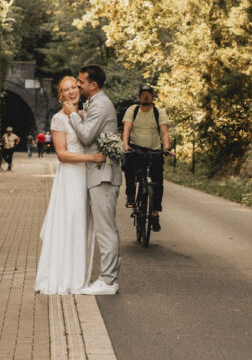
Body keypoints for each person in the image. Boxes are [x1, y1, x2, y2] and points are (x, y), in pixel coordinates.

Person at [35, 76, 106, 294]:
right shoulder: (59, 119)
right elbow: (62, 154)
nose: (71, 92)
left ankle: (79, 277)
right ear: (61, 95)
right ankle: (66, 279)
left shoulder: (83, 116)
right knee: (72, 223)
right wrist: (92, 159)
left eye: (74, 87)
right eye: (66, 90)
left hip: (87, 177)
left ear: (79, 89)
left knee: (84, 224)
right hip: (71, 178)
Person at [65, 64, 123, 296]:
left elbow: (87, 135)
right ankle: (108, 278)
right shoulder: (95, 104)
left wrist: (72, 116)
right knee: (104, 228)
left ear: (93, 85)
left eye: (81, 82)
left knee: (105, 229)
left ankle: (108, 281)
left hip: (103, 174)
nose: (78, 85)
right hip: (97, 174)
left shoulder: (100, 104)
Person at [121, 85, 172, 232]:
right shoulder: (133, 110)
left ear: (152, 97)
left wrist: (167, 148)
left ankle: (155, 214)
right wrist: (125, 144)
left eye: (148, 94)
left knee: (158, 183)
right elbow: (127, 128)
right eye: (143, 94)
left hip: (154, 150)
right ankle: (131, 196)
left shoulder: (158, 112)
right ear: (139, 97)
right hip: (136, 148)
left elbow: (164, 133)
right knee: (130, 169)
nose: (146, 97)